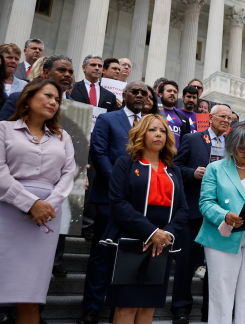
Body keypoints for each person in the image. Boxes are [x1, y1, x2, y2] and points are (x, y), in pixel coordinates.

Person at [0, 79, 76, 322]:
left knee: (30, 295)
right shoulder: (3, 129)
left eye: (57, 100)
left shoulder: (63, 137)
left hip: (46, 218)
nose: (54, 102)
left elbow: (68, 174)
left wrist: (48, 205)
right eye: (48, 96)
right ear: (29, 97)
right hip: (6, 212)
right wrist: (30, 203)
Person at [101, 114, 188, 324]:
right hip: (130, 242)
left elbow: (183, 209)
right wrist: (151, 232)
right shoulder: (126, 164)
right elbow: (118, 203)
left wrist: (167, 233)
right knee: (126, 308)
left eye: (163, 130)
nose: (158, 134)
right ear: (141, 133)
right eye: (152, 129)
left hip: (162, 245)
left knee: (148, 308)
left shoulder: (173, 170)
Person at [78, 82, 149, 324]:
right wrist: (119, 187)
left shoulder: (150, 124)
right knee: (102, 255)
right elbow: (98, 152)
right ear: (124, 95)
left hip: (141, 204)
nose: (139, 95)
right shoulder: (108, 120)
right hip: (110, 198)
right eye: (134, 92)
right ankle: (92, 307)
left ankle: (118, 308)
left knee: (128, 256)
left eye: (143, 93)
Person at [196, 124, 245, 324]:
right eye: (242, 148)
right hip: (222, 237)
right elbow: (205, 203)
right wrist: (224, 215)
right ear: (232, 146)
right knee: (221, 295)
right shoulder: (215, 168)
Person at [171, 104, 232, 323]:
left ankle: (211, 310)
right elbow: (175, 167)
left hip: (221, 213)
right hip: (193, 210)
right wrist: (192, 173)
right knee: (186, 262)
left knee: (216, 265)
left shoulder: (232, 146)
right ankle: (180, 308)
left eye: (229, 118)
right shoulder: (193, 138)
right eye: (222, 116)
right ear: (211, 117)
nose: (226, 120)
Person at [0, 55, 75, 122]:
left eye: (70, 72)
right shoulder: (19, 98)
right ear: (46, 73)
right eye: (61, 70)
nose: (67, 75)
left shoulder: (76, 107)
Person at [158, 80, 190, 148]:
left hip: (176, 157)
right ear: (160, 94)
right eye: (169, 91)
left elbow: (186, 143)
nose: (172, 93)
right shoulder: (152, 113)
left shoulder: (184, 119)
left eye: (175, 92)